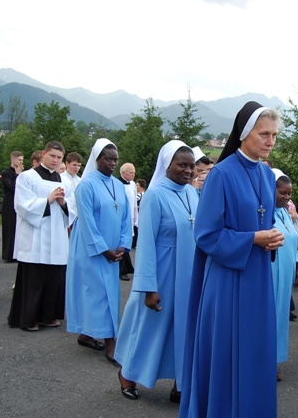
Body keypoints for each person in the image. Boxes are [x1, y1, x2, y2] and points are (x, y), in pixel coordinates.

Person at [179, 101, 284, 417]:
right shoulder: (221, 174)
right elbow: (207, 235)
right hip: (227, 282)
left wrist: (271, 239)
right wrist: (253, 239)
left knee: (254, 352)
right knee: (227, 354)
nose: (270, 141)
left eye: (274, 135)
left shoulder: (267, 175)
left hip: (257, 279)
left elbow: (263, 221)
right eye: (264, 133)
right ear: (244, 133)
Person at [115, 140, 198, 402]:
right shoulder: (155, 195)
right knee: (149, 326)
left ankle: (180, 384)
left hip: (188, 274)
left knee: (185, 329)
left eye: (191, 166)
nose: (187, 171)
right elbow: (147, 243)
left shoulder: (192, 193)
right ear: (167, 165)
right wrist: (149, 288)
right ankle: (128, 374)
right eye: (181, 165)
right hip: (161, 273)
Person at [65, 139, 131, 363]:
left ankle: (86, 333)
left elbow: (125, 218)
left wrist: (123, 244)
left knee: (105, 294)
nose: (112, 163)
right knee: (99, 294)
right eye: (108, 159)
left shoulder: (119, 186)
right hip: (90, 249)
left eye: (115, 159)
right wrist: (104, 250)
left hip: (113, 250)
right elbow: (87, 222)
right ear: (97, 159)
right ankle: (111, 343)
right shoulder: (87, 185)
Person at [8, 141, 75, 331]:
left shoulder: (65, 181)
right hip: (36, 236)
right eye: (52, 156)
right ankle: (28, 319)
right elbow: (22, 205)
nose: (55, 160)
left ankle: (49, 315)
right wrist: (48, 200)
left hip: (57, 237)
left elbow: (73, 206)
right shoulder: (27, 177)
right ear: (44, 154)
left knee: (54, 278)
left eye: (59, 157)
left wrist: (63, 204)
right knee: (35, 279)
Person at [270, 169, 298, 381]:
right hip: (270, 274)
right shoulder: (263, 213)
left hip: (285, 274)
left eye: (289, 194)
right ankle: (263, 362)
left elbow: (294, 241)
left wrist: (297, 265)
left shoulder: (284, 213)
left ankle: (274, 360)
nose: (287, 197)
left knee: (280, 319)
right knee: (268, 318)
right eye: (282, 193)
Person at [1, 151, 24, 262]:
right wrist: (18, 175)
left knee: (18, 227)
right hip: (9, 202)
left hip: (19, 202)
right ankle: (8, 254)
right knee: (9, 227)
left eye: (22, 160)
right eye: (19, 160)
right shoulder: (6, 173)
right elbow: (13, 187)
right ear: (13, 159)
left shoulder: (23, 173)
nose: (21, 162)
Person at [118, 163, 137, 281]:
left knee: (127, 242)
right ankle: (122, 269)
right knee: (122, 244)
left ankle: (127, 267)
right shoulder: (117, 184)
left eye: (134, 172)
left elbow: (134, 201)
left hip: (131, 217)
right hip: (121, 218)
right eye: (131, 172)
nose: (133, 175)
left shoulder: (133, 184)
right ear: (123, 172)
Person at [131, 178, 146, 249]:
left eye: (137, 185)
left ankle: (134, 243)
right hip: (135, 215)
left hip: (138, 215)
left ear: (142, 187)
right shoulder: (136, 194)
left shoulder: (141, 195)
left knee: (136, 229)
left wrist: (138, 206)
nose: (136, 187)